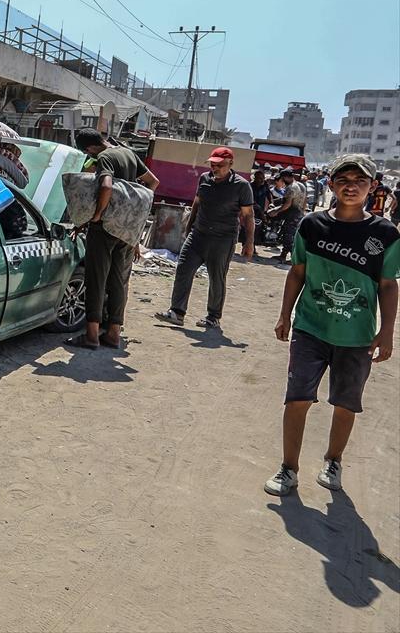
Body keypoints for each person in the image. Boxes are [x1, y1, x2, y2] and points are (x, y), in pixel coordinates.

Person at [264, 153, 398, 496]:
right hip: (310, 327)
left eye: (359, 181)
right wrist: (285, 314)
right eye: (343, 181)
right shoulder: (312, 225)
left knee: (346, 402)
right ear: (331, 185)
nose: (351, 188)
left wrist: (386, 331)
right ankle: (288, 468)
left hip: (356, 336)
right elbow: (297, 272)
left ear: (372, 187)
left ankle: (333, 460)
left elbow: (387, 284)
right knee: (297, 399)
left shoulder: (385, 234)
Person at [66, 129, 160, 350]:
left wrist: (97, 215)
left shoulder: (105, 158)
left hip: (105, 228)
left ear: (89, 149)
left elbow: (106, 186)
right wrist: (132, 212)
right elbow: (153, 183)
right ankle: (114, 334)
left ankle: (91, 336)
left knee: (96, 279)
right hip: (127, 230)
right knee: (119, 281)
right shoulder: (128, 153)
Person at [155, 147, 255, 330]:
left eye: (220, 165)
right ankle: (177, 312)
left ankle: (213, 317)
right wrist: (189, 225)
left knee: (217, 278)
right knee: (183, 269)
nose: (215, 168)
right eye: (212, 164)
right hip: (198, 235)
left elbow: (248, 216)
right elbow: (197, 202)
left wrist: (249, 243)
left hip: (223, 239)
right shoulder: (205, 179)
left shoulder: (241, 186)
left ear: (231, 164)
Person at [267, 168, 306, 265]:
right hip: (299, 213)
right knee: (289, 234)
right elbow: (305, 201)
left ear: (285, 177)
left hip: (292, 214)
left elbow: (288, 204)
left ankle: (293, 259)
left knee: (288, 236)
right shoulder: (301, 185)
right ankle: (283, 255)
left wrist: (276, 211)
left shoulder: (290, 187)